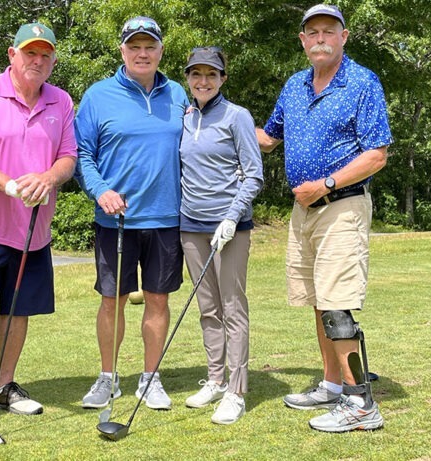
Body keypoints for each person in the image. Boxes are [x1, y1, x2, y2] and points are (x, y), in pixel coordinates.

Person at [256, 4, 392, 432]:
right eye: (312, 32)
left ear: (343, 37)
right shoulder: (295, 86)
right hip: (304, 211)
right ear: (302, 40)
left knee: (338, 307)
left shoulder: (362, 82)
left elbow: (377, 155)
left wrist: (327, 184)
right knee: (319, 301)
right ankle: (332, 385)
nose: (320, 38)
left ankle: (360, 405)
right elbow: (268, 139)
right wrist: (219, 117)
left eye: (328, 31)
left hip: (342, 204)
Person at [0, 22, 77, 439]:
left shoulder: (61, 101)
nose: (37, 61)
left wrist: (48, 178)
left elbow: (68, 159)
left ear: (54, 60)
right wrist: (9, 184)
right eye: (29, 53)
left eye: (45, 55)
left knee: (18, 310)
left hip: (32, 230)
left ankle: (5, 386)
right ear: (12, 54)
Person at [74, 16, 189, 411]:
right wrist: (100, 189)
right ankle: (108, 378)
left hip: (166, 219)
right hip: (115, 221)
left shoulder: (178, 94)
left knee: (158, 301)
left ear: (160, 51)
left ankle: (150, 377)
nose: (143, 53)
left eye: (150, 46)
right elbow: (82, 155)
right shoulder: (97, 95)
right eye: (135, 46)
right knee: (112, 301)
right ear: (122, 50)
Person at [178, 47, 263, 425]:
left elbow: (254, 173)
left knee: (232, 308)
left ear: (223, 79)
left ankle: (236, 390)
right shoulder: (185, 117)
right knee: (207, 308)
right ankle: (214, 379)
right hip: (191, 227)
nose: (203, 81)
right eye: (197, 74)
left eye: (211, 74)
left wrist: (231, 218)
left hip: (229, 229)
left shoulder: (237, 116)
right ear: (188, 79)